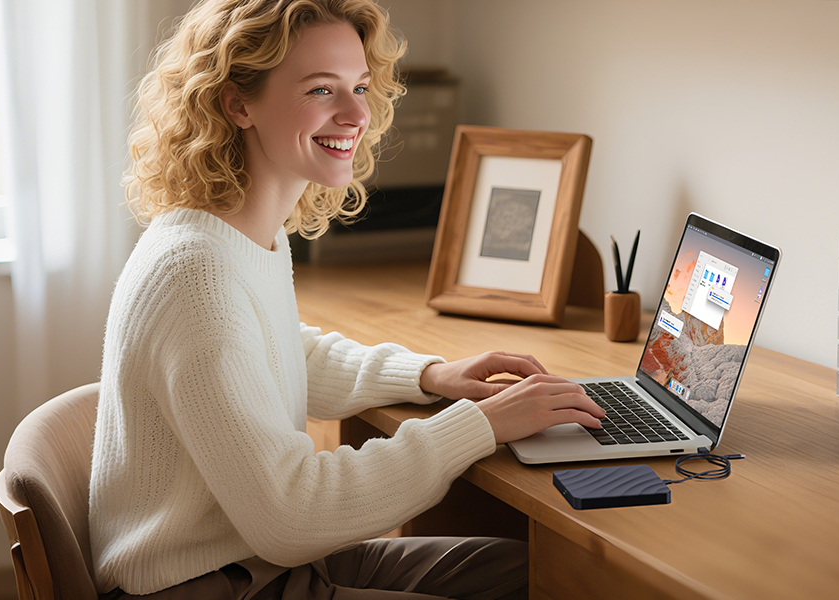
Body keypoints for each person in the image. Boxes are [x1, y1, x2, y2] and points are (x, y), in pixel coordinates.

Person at [89, 1, 606, 599]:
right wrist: (482, 424)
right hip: (213, 584)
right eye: (321, 90)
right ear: (238, 103)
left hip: (253, 563)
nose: (357, 113)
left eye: (360, 86)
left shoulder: (238, 233)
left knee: (533, 572)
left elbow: (285, 353)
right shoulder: (194, 274)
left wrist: (433, 375)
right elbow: (291, 517)